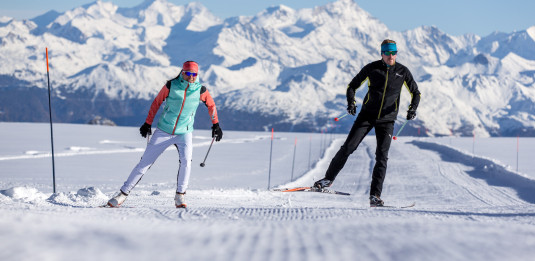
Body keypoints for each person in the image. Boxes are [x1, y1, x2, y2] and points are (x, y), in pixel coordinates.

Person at [313, 39, 421, 207]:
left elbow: (416, 93)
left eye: (394, 52)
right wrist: (351, 103)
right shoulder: (372, 68)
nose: (391, 56)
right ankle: (328, 179)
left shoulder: (402, 71)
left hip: (387, 120)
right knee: (348, 147)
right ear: (382, 53)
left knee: (381, 157)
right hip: (367, 116)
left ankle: (375, 196)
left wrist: (412, 109)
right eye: (387, 52)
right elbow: (352, 86)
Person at [107, 61, 223, 208]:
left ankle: (180, 196)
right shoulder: (171, 86)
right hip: (164, 130)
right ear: (183, 73)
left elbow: (211, 106)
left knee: (186, 162)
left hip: (185, 132)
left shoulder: (201, 90)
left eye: (194, 74)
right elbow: (156, 103)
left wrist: (216, 125)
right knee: (144, 163)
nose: (191, 77)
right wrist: (148, 123)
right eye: (188, 73)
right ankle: (122, 195)